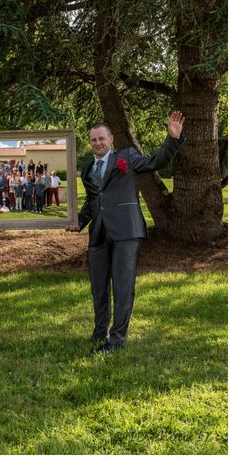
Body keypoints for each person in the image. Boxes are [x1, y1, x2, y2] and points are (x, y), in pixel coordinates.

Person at [66, 111, 185, 354]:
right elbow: (91, 203)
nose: (97, 143)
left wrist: (172, 139)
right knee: (98, 287)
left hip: (127, 231)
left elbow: (155, 162)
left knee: (122, 286)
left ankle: (117, 339)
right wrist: (79, 222)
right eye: (93, 140)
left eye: (102, 139)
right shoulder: (88, 171)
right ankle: (100, 333)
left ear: (111, 140)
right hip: (98, 233)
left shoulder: (127, 157)